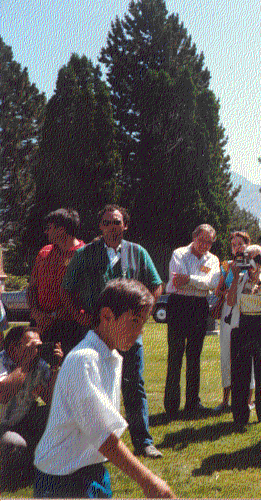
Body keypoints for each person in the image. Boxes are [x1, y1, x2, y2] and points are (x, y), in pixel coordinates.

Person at [33, 279, 174, 498]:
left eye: (143, 323)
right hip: (62, 478)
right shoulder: (84, 359)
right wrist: (148, 480)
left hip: (93, 469)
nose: (140, 332)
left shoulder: (111, 357)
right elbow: (103, 438)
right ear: (107, 316)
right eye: (134, 321)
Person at [62, 205, 164, 459]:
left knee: (133, 384)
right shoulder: (86, 254)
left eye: (117, 222)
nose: (112, 227)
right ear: (100, 227)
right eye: (107, 223)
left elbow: (156, 285)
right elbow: (66, 290)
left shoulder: (137, 253)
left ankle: (143, 442)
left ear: (125, 225)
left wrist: (142, 317)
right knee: (95, 386)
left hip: (130, 334)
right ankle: (95, 444)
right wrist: (79, 316)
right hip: (98, 333)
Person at [164, 224, 220, 416]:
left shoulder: (213, 259)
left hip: (199, 307)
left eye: (209, 242)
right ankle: (171, 405)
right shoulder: (179, 253)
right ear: (194, 237)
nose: (205, 245)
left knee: (194, 357)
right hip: (179, 305)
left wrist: (189, 279)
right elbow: (177, 280)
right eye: (202, 240)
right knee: (175, 355)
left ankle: (192, 404)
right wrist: (199, 282)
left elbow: (212, 284)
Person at [0, 327, 62, 491]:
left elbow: (50, 400)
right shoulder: (1, 362)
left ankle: (38, 468)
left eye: (39, 346)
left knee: (54, 414)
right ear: (14, 348)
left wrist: (55, 368)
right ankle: (8, 478)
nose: (37, 350)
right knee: (14, 443)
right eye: (32, 346)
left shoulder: (39, 365)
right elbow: (4, 395)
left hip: (20, 421)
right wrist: (26, 363)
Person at [226, 245, 261, 426]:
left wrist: (259, 282)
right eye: (247, 258)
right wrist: (234, 278)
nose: (251, 263)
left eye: (255, 258)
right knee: (239, 375)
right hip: (241, 327)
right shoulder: (239, 280)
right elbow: (230, 301)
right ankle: (239, 416)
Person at [27, 208, 85, 355]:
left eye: (49, 228)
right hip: (40, 324)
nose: (46, 232)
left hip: (69, 326)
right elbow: (32, 287)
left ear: (61, 229)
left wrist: (53, 317)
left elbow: (83, 295)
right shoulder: (44, 252)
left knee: (65, 371)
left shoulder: (85, 254)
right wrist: (36, 313)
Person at [212, 231, 251, 414]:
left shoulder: (254, 263)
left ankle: (249, 400)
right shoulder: (227, 265)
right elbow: (217, 291)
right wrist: (226, 291)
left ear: (247, 245)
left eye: (240, 244)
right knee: (227, 353)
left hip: (248, 311)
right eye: (234, 245)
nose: (237, 247)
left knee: (248, 354)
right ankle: (226, 398)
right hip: (229, 310)